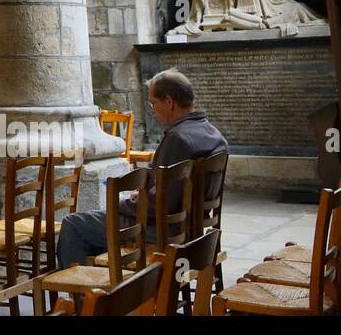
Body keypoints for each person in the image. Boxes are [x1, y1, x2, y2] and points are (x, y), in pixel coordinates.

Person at [56, 69, 228, 270]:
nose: (153, 109)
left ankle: (82, 297)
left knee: (74, 224)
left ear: (169, 102)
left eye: (153, 103)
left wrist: (122, 204)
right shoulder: (214, 134)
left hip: (164, 229)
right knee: (95, 228)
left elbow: (158, 204)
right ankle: (112, 289)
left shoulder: (178, 139)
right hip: (192, 226)